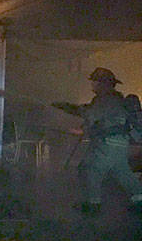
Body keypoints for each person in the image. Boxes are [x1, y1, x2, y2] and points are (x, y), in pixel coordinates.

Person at [53, 67, 142, 214]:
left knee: (89, 168)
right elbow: (92, 112)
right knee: (122, 172)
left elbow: (91, 115)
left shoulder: (105, 99)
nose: (92, 85)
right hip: (120, 143)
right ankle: (139, 200)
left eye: (94, 82)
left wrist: (78, 123)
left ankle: (92, 204)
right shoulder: (115, 99)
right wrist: (68, 108)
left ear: (102, 84)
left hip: (107, 144)